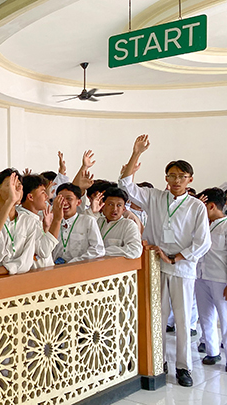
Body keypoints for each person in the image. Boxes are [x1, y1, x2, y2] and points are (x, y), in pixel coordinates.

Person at [119, 134, 211, 387]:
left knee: (182, 320)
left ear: (190, 180)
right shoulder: (155, 197)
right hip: (156, 265)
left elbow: (203, 242)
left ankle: (183, 367)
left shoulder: (196, 206)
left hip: (182, 268)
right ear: (166, 178)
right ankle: (158, 361)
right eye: (172, 176)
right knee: (157, 317)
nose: (176, 180)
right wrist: (136, 153)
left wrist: (176, 257)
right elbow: (125, 184)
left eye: (182, 176)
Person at [194, 188, 227, 367]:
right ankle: (212, 352)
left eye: (202, 206)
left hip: (220, 278)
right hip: (201, 276)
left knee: (225, 319)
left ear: (212, 206)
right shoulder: (202, 225)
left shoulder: (225, 226)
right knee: (205, 315)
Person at [51, 183, 105, 264]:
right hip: (53, 268)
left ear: (79, 202)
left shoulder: (88, 221)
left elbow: (98, 250)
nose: (64, 202)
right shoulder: (50, 222)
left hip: (79, 268)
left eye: (69, 199)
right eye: (60, 198)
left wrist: (73, 263)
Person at [17, 174, 63, 269]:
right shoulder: (25, 219)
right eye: (43, 192)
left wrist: (46, 227)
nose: (46, 196)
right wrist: (57, 220)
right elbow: (44, 251)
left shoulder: (33, 217)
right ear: (30, 197)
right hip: (35, 273)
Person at [97, 187, 142, 259]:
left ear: (124, 209)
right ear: (103, 206)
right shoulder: (98, 221)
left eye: (119, 205)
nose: (114, 209)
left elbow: (135, 250)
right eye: (110, 204)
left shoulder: (128, 225)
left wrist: (103, 252)